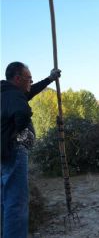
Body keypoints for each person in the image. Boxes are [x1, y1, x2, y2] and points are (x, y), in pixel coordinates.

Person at [1, 62, 61, 238]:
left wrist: (49, 79)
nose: (30, 82)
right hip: (13, 152)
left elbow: (29, 91)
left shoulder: (6, 94)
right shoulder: (14, 96)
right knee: (16, 202)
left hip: (3, 154)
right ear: (17, 79)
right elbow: (22, 112)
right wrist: (20, 134)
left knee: (6, 201)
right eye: (28, 79)